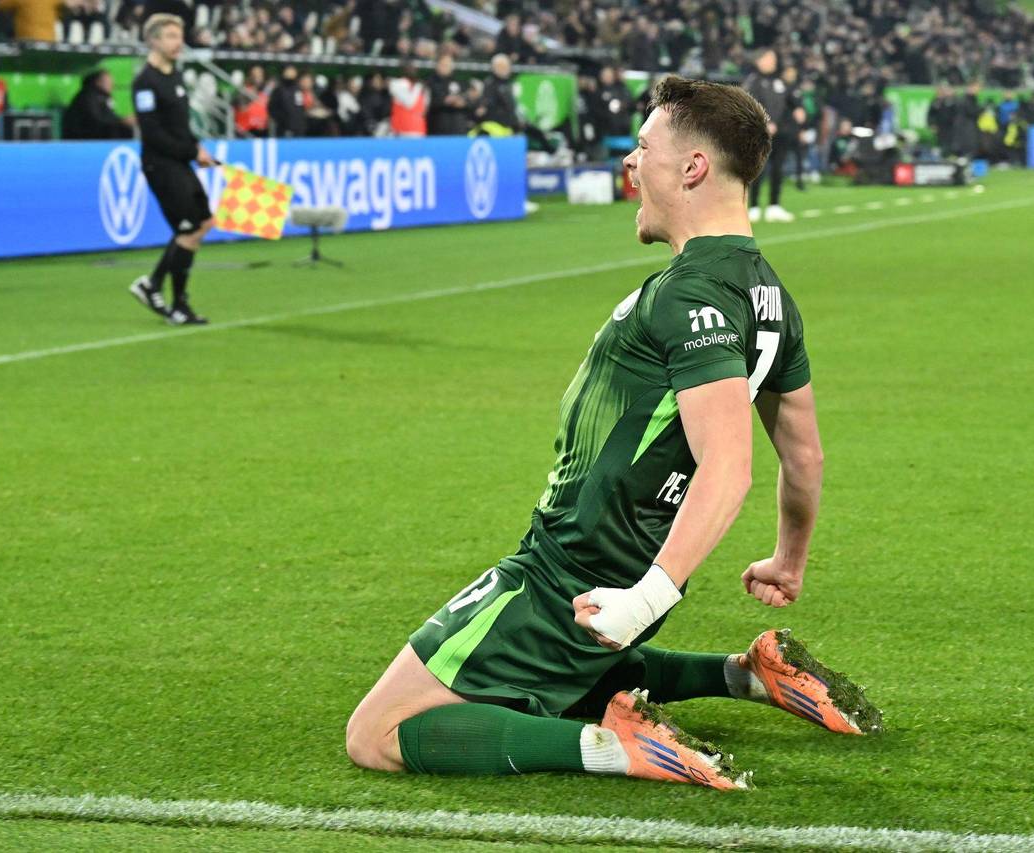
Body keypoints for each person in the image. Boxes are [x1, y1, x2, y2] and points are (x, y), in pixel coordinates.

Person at [346, 76, 880, 789]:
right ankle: (745, 675)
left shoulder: (692, 293)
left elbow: (730, 465)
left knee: (377, 732)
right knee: (550, 680)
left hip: (567, 571)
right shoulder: (770, 296)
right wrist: (788, 560)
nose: (631, 161)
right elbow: (804, 455)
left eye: (644, 146)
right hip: (626, 568)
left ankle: (618, 747)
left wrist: (648, 596)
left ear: (692, 167)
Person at [127, 13, 217, 326]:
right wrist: (191, 151)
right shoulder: (145, 82)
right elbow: (153, 134)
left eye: (179, 36)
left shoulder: (175, 76)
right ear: (153, 41)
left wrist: (197, 148)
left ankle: (153, 284)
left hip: (179, 161)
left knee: (204, 223)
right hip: (161, 164)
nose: (178, 43)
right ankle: (179, 305)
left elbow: (180, 125)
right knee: (189, 230)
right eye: (170, 36)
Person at [744, 50, 795, 223]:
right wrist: (764, 122)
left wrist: (798, 108)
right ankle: (754, 207)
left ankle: (774, 205)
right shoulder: (754, 81)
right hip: (760, 134)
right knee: (759, 169)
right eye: (769, 58)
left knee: (778, 169)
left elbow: (791, 100)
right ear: (759, 61)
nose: (773, 61)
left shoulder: (780, 81)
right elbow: (749, 104)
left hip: (781, 133)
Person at [62, 69, 133, 139]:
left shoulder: (100, 97)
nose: (112, 85)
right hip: (84, 139)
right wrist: (121, 122)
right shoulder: (88, 97)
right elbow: (95, 121)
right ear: (98, 82)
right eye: (108, 82)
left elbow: (107, 117)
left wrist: (122, 121)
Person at [425, 52, 469, 136]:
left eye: (449, 65)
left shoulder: (459, 82)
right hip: (437, 129)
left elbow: (467, 99)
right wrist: (444, 101)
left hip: (458, 130)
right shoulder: (430, 82)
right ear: (437, 65)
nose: (446, 67)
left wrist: (463, 102)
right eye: (444, 64)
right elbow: (427, 104)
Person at [267, 65, 307, 137]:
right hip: (284, 128)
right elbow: (271, 108)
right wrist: (282, 120)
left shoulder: (298, 89)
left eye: (292, 71)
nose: (290, 73)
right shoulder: (279, 90)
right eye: (288, 71)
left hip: (299, 128)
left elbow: (300, 107)